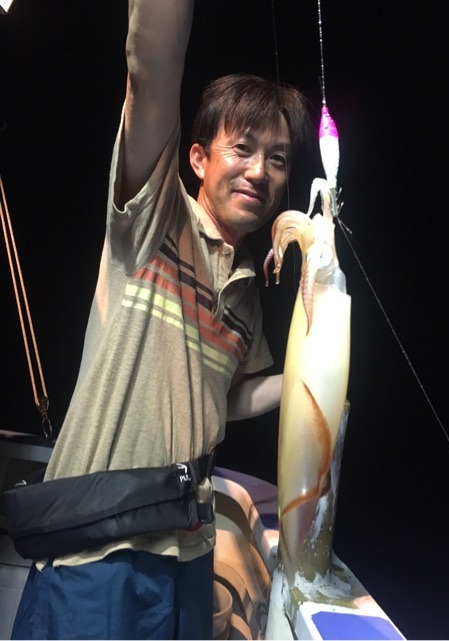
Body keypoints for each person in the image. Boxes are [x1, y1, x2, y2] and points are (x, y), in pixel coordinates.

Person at [11, 1, 311, 639]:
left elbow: (223, 396)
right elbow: (152, 62)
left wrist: (306, 381)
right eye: (243, 149)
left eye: (278, 159)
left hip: (190, 551)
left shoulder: (247, 293)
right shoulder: (154, 216)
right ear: (198, 159)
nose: (259, 171)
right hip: (101, 548)